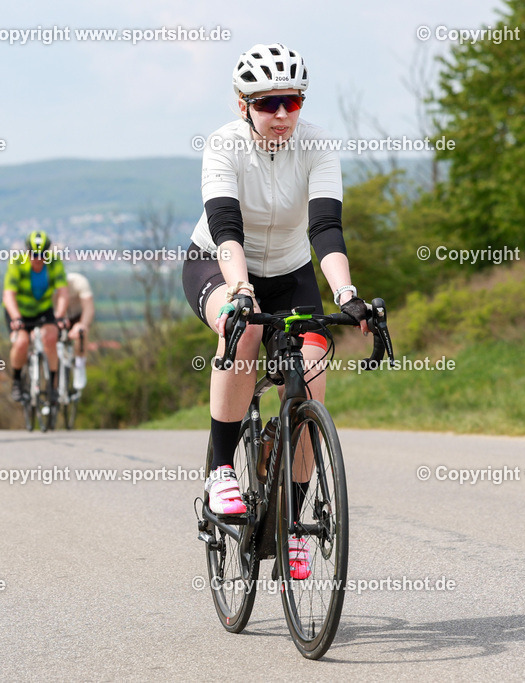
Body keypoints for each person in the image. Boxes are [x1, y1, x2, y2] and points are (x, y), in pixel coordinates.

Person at [181, 43, 369, 579]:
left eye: (292, 101)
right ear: (243, 104)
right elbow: (225, 226)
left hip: (290, 272)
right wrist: (239, 289)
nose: (282, 114)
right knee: (239, 333)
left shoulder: (316, 147)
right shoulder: (223, 145)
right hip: (219, 263)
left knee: (311, 378)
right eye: (268, 103)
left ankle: (291, 523)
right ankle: (221, 469)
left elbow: (325, 228)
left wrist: (347, 293)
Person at [2, 231, 68, 402]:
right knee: (21, 342)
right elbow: (9, 294)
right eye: (34, 254)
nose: (38, 258)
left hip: (43, 310)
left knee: (51, 338)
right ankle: (16, 381)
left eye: (42, 255)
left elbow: (63, 292)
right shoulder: (17, 262)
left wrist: (60, 315)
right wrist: (16, 317)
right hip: (19, 310)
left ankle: (53, 385)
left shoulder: (54, 262)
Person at [63, 271, 94, 390]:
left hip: (77, 316)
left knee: (82, 333)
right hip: (57, 317)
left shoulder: (79, 282)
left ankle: (80, 365)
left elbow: (88, 308)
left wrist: (82, 325)